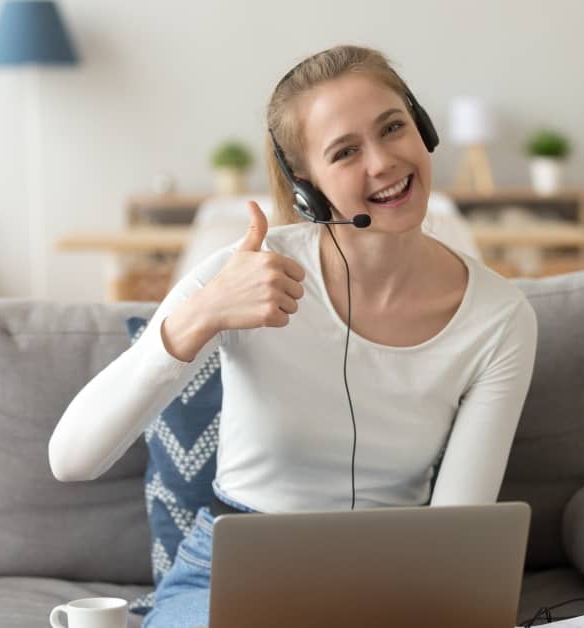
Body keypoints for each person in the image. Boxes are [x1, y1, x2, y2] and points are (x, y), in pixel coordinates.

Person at [48, 45, 538, 628]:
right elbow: (70, 458)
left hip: (398, 581)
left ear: (422, 129)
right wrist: (201, 314)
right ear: (306, 183)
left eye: (393, 128)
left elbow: (460, 531)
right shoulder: (246, 271)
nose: (382, 163)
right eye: (346, 151)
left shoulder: (499, 317)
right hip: (233, 569)